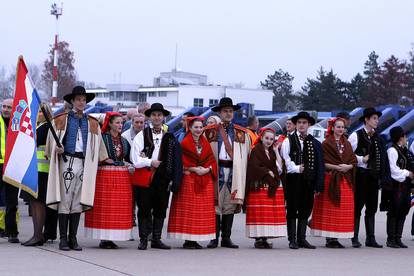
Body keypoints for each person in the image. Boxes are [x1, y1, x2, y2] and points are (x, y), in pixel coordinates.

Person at [45, 86, 108, 251]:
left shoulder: (93, 122)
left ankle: (73, 239)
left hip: (85, 164)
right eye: (78, 99)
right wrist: (56, 150)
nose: (81, 102)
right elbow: (51, 143)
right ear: (72, 101)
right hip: (67, 162)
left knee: (78, 201)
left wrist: (105, 160)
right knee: (65, 200)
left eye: (84, 100)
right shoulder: (60, 119)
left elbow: (99, 147)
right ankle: (63, 239)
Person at [131, 103, 182, 250]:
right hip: (146, 175)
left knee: (160, 208)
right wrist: (150, 161)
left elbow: (175, 159)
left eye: (159, 115)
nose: (157, 117)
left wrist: (172, 178)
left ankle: (156, 239)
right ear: (150, 117)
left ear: (163, 117)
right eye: (154, 115)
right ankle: (143, 239)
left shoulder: (169, 136)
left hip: (163, 178)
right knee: (144, 208)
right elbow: (136, 160)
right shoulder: (142, 135)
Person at [204, 97, 251, 249]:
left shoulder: (242, 133)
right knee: (215, 205)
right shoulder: (210, 132)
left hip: (234, 171)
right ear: (219, 112)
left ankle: (226, 238)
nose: (228, 113)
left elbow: (247, 155)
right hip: (216, 171)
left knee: (230, 204)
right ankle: (214, 238)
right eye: (225, 111)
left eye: (231, 111)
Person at [85, 112, 133, 249]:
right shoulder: (102, 138)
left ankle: (113, 237)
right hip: (104, 176)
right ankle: (104, 239)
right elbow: (94, 154)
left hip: (121, 178)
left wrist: (129, 163)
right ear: (110, 123)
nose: (120, 125)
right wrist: (104, 160)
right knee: (105, 207)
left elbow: (128, 158)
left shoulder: (124, 140)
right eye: (117, 122)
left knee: (116, 208)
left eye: (121, 123)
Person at [167, 116, 217, 249]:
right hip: (189, 180)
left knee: (200, 211)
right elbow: (180, 162)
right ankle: (188, 240)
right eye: (196, 127)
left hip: (204, 179)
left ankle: (195, 239)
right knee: (190, 211)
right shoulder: (184, 143)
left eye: (201, 127)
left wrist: (207, 169)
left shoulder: (204, 142)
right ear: (190, 128)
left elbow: (211, 160)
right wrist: (194, 168)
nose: (199, 130)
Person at [310, 118, 357, 248]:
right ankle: (330, 238)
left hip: (344, 179)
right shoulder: (326, 143)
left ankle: (336, 237)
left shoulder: (346, 143)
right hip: (331, 179)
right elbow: (323, 162)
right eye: (338, 127)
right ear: (333, 128)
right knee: (330, 208)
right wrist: (337, 167)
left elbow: (353, 160)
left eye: (342, 127)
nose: (341, 129)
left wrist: (348, 167)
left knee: (341, 209)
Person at [281, 111, 324, 249]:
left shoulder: (315, 142)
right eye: (299, 122)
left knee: (306, 209)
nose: (301, 125)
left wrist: (318, 184)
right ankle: (292, 239)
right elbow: (286, 161)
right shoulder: (288, 140)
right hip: (294, 179)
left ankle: (302, 238)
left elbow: (319, 165)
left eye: (304, 123)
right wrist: (297, 168)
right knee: (293, 209)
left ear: (309, 124)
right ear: (295, 124)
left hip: (308, 181)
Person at [348, 107, 390, 248]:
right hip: (361, 175)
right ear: (366, 119)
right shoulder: (356, 135)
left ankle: (370, 238)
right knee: (357, 207)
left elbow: (383, 157)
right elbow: (348, 155)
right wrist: (361, 159)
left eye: (377, 119)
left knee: (372, 208)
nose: (376, 121)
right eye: (374, 118)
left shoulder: (378, 137)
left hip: (373, 176)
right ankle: (354, 237)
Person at [20, 104, 58, 246]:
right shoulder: (38, 126)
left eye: (41, 112)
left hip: (41, 171)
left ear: (47, 113)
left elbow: (32, 143)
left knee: (38, 204)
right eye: (37, 111)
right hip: (35, 171)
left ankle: (37, 235)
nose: (38, 114)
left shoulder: (45, 127)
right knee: (35, 204)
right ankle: (37, 234)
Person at [245, 128, 286, 249]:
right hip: (259, 185)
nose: (269, 141)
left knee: (268, 213)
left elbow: (280, 168)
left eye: (271, 139)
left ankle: (265, 238)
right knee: (260, 213)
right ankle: (258, 238)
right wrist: (267, 171)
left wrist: (276, 151)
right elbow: (254, 167)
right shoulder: (256, 150)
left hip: (271, 185)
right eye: (267, 138)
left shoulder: (272, 152)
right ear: (261, 138)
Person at [382, 126, 414, 248]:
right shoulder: (392, 151)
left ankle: (398, 237)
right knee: (394, 211)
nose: (406, 138)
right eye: (405, 136)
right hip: (395, 186)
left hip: (405, 185)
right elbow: (393, 170)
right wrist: (407, 173)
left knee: (403, 210)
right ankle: (391, 239)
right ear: (401, 137)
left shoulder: (405, 150)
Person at [0, 98, 20, 243]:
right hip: (0, 163)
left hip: (13, 164)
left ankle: (12, 231)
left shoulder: (17, 123)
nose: (5, 109)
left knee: (12, 200)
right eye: (4, 106)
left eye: (8, 107)